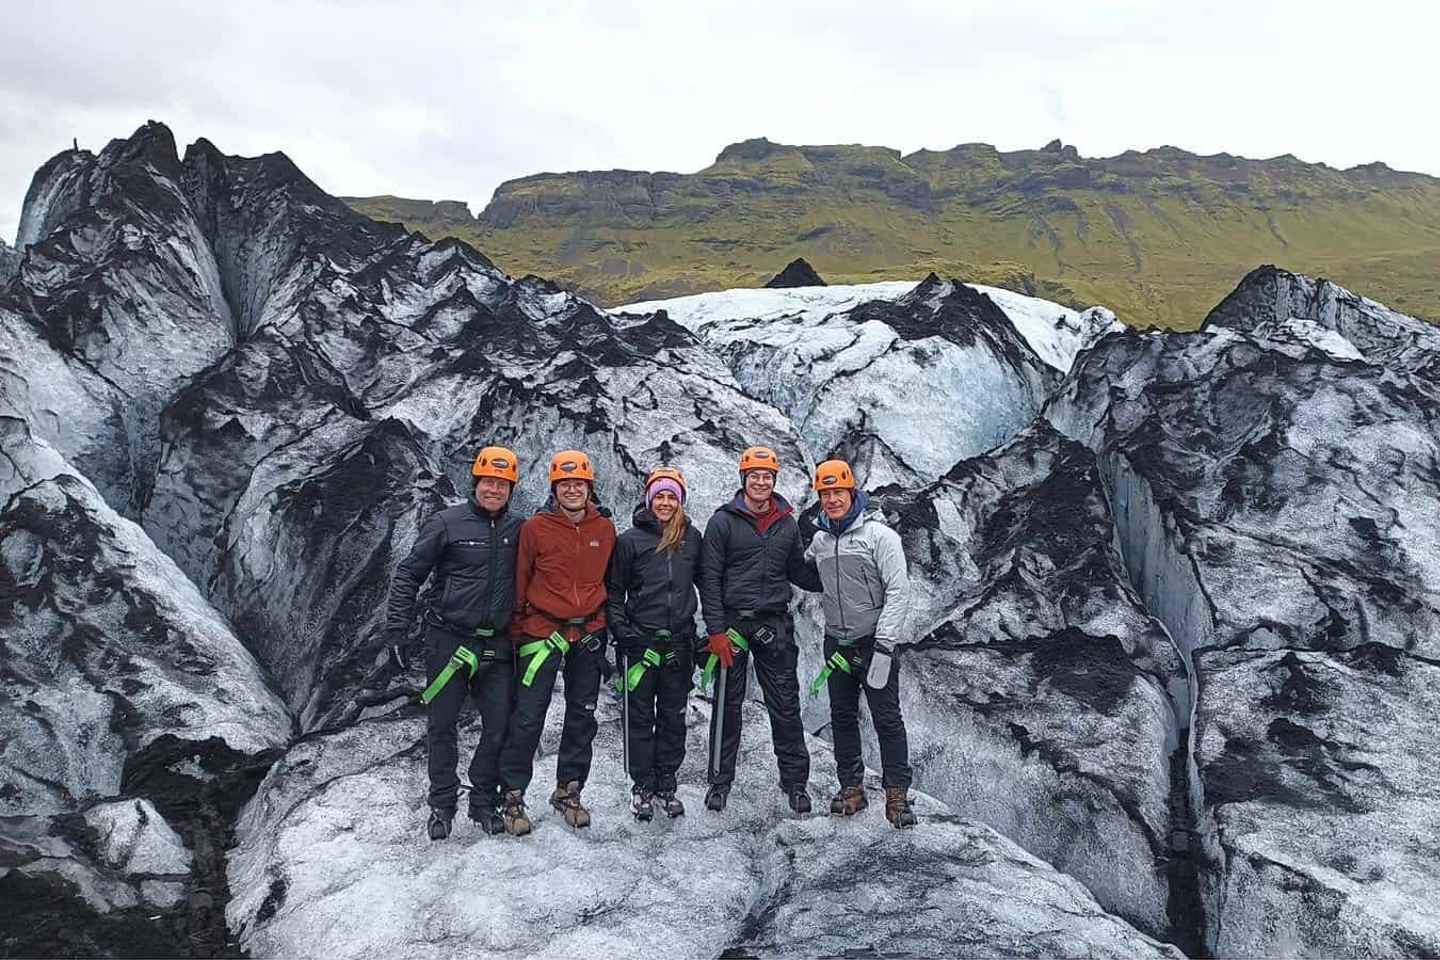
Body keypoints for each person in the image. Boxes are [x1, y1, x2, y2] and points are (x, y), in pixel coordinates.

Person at [381, 446, 525, 840]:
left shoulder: (519, 531)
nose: (494, 490)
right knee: (442, 726)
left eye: (502, 484)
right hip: (448, 639)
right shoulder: (446, 523)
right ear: (475, 483)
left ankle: (483, 802)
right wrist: (397, 628)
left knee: (498, 725)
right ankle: (442, 805)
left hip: (496, 644)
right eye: (488, 482)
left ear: (511, 489)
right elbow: (409, 573)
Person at [496, 450, 617, 834]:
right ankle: (512, 795)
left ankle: (569, 790)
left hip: (588, 633)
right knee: (529, 716)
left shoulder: (604, 530)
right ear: (554, 488)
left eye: (578, 484)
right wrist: (518, 631)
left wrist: (606, 627)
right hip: (542, 633)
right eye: (565, 485)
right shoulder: (536, 529)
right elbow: (520, 579)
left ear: (589, 488)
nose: (572, 491)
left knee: (582, 715)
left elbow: (610, 582)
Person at [699, 445, 823, 814]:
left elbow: (798, 572)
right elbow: (709, 578)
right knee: (727, 706)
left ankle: (795, 783)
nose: (761, 481)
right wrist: (716, 632)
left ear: (774, 481)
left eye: (767, 476)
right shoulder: (722, 522)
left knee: (785, 704)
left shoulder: (786, 522)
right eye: (754, 475)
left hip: (773, 622)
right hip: (733, 624)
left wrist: (834, 572)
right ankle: (720, 782)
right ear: (744, 479)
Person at [805, 459, 917, 828]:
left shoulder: (880, 537)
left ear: (852, 492)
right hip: (836, 641)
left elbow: (898, 591)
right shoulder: (820, 540)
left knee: (887, 719)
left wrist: (885, 643)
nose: (833, 499)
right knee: (842, 716)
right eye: (826, 494)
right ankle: (851, 788)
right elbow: (806, 572)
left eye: (838, 492)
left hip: (873, 643)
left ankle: (897, 795)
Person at [606, 467, 704, 821]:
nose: (665, 502)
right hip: (640, 642)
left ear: (680, 502)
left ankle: (667, 783)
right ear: (649, 500)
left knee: (673, 717)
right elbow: (614, 592)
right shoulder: (630, 540)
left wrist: (713, 633)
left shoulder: (692, 539)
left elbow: (707, 585)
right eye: (659, 496)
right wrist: (623, 632)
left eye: (671, 497)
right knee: (639, 716)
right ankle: (642, 786)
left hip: (679, 642)